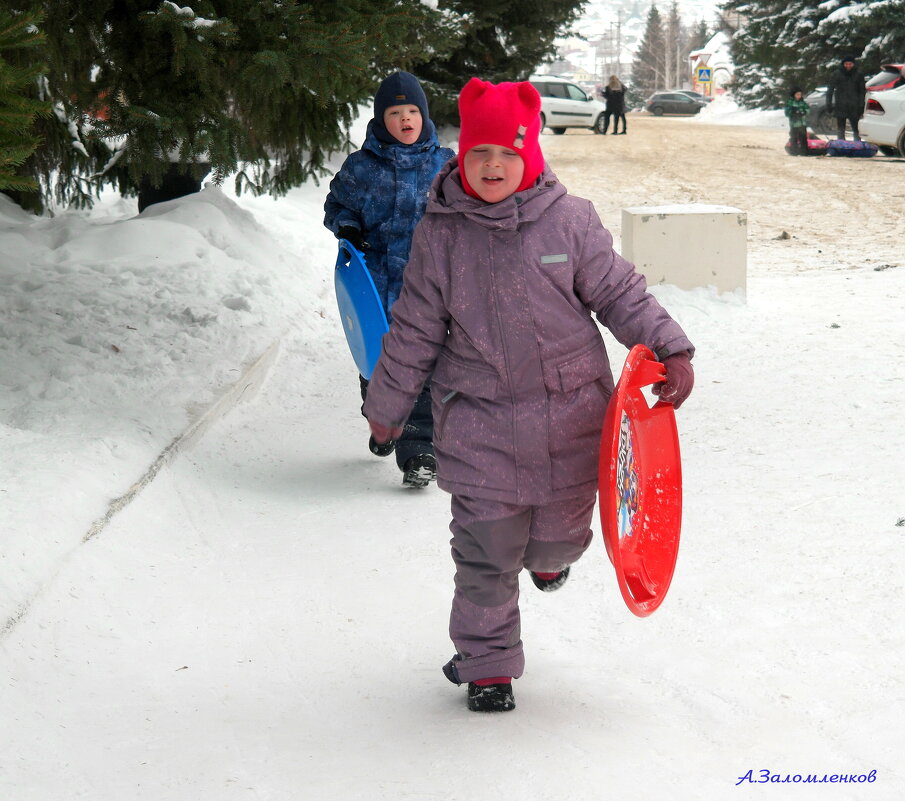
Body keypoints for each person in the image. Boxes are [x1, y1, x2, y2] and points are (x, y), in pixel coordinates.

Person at [363, 79, 695, 712]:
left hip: (570, 419)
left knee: (559, 538)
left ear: (532, 157)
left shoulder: (569, 221)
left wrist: (668, 347)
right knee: (485, 555)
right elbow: (413, 328)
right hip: (480, 423)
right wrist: (387, 413)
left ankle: (549, 561)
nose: (493, 166)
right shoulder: (442, 235)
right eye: (481, 152)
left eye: (508, 154)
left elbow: (620, 292)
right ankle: (488, 665)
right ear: (462, 156)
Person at [324, 72, 455, 488]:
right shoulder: (362, 167)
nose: (405, 119)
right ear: (382, 119)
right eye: (395, 112)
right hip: (376, 284)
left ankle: (418, 449)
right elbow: (336, 205)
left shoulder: (444, 164)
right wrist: (347, 227)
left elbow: (468, 211)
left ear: (424, 116)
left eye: (412, 111)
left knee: (423, 366)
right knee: (378, 366)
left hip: (428, 286)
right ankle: (382, 418)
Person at [826, 54, 866, 141]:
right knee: (841, 128)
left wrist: (861, 105)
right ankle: (841, 144)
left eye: (850, 64)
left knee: (856, 128)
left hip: (854, 105)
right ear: (843, 64)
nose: (848, 66)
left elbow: (862, 91)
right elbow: (830, 90)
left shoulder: (859, 74)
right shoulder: (837, 74)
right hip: (840, 104)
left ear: (853, 64)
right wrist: (828, 104)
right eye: (846, 64)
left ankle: (857, 144)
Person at [785, 86, 810, 155]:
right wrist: (794, 112)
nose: (799, 96)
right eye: (797, 94)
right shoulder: (790, 102)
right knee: (794, 138)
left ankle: (804, 152)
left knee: (803, 138)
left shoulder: (802, 102)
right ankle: (794, 151)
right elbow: (787, 112)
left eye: (800, 94)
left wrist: (804, 112)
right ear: (794, 95)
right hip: (794, 124)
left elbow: (808, 109)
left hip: (802, 124)